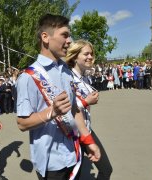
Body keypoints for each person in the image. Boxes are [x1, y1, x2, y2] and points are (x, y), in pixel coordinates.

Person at [16, 14, 100, 180]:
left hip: (73, 153)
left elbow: (75, 109)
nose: (69, 40)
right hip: (51, 163)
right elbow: (22, 123)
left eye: (69, 35)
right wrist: (51, 112)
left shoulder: (65, 70)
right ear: (45, 37)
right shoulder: (28, 77)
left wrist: (88, 140)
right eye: (64, 35)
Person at [65, 39, 113, 180]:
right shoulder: (67, 78)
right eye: (86, 54)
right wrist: (86, 102)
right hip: (72, 135)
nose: (90, 57)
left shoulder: (85, 78)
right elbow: (66, 109)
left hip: (86, 129)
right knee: (73, 177)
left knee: (106, 169)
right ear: (75, 56)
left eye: (91, 54)